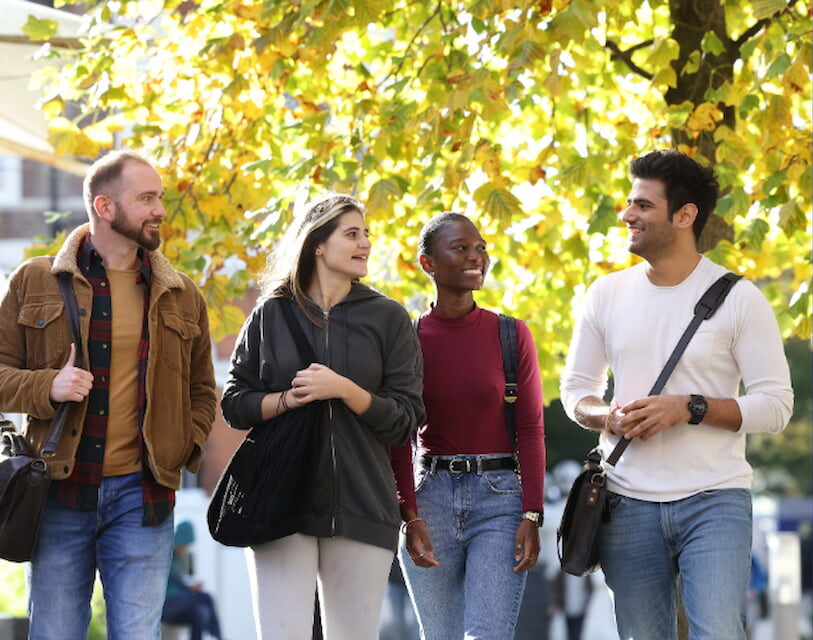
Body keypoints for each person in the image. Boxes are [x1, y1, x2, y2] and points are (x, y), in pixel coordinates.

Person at [559, 150, 794, 640]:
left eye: (643, 206)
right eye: (629, 203)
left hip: (716, 501)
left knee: (719, 634)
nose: (627, 215)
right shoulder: (605, 294)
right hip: (625, 502)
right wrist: (608, 417)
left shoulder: (740, 299)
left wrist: (689, 408)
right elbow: (576, 390)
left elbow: (775, 405)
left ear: (685, 216)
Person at [0, 150, 217, 639]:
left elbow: (204, 390)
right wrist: (46, 386)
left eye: (159, 197)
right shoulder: (36, 280)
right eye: (146, 198)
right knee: (55, 633)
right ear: (104, 206)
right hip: (59, 491)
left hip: (144, 498)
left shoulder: (182, 293)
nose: (160, 209)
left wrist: (185, 445)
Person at [220, 193, 425, 640]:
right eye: (352, 234)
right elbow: (234, 402)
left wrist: (345, 391)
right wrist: (286, 401)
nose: (365, 243)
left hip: (362, 505)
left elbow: (407, 418)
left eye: (367, 233)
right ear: (317, 243)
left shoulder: (388, 318)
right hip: (279, 500)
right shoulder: (270, 314)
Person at [390, 212, 546, 639]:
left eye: (480, 248)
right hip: (431, 499)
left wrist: (532, 512)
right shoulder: (407, 339)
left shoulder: (511, 335)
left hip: (500, 501)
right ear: (428, 263)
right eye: (460, 248)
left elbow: (531, 428)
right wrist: (409, 514)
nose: (476, 256)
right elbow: (399, 436)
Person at [162, 520, 222, 640]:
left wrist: (189, 588)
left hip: (180, 599)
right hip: (165, 602)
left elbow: (178, 583)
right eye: (183, 544)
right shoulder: (164, 556)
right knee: (206, 598)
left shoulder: (183, 558)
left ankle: (214, 635)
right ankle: (218, 636)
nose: (185, 548)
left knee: (200, 612)